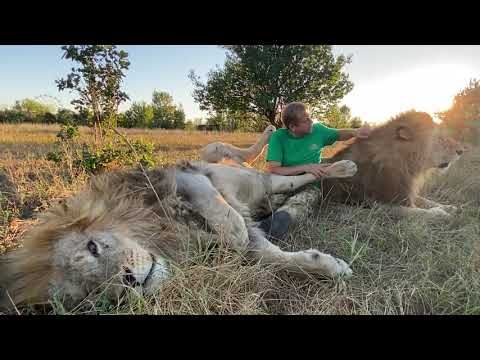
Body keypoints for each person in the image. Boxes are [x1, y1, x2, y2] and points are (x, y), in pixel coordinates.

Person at [259, 101, 371, 240]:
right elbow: (274, 169)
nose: (312, 121)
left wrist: (356, 132)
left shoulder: (318, 130)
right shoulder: (279, 137)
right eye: (306, 120)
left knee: (300, 204)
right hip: (283, 184)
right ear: (293, 127)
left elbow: (339, 134)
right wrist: (305, 167)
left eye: (310, 117)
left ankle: (271, 228)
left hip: (310, 186)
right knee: (265, 204)